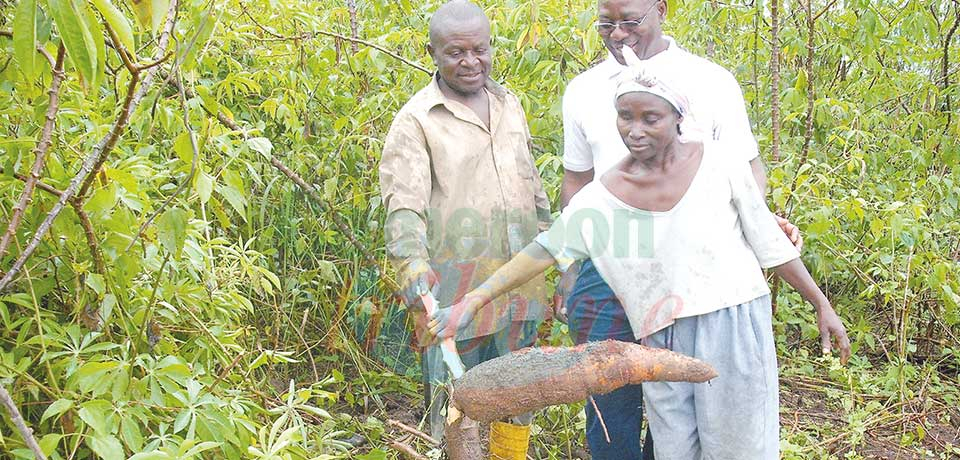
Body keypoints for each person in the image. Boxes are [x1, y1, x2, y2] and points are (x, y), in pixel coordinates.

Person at [427, 62, 851, 460]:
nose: (635, 129)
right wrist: (470, 304)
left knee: (738, 446)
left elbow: (770, 243)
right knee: (675, 448)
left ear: (677, 118)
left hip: (734, 327)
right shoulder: (602, 196)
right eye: (625, 116)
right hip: (660, 336)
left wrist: (821, 304)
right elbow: (542, 251)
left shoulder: (720, 164)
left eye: (651, 118)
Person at [556, 0, 802, 456]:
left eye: (631, 21)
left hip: (692, 277)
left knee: (680, 403)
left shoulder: (711, 81)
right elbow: (577, 182)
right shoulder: (582, 91)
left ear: (662, 10)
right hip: (608, 270)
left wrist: (758, 223)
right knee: (610, 404)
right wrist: (569, 270)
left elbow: (747, 171)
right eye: (606, 24)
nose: (618, 35)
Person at [378, 1, 552, 457]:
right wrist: (413, 268)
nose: (471, 61)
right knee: (458, 405)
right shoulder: (416, 120)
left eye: (480, 49)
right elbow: (403, 209)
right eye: (456, 52)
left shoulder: (508, 103)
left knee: (520, 400)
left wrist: (554, 253)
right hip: (455, 297)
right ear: (431, 52)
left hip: (521, 287)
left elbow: (532, 186)